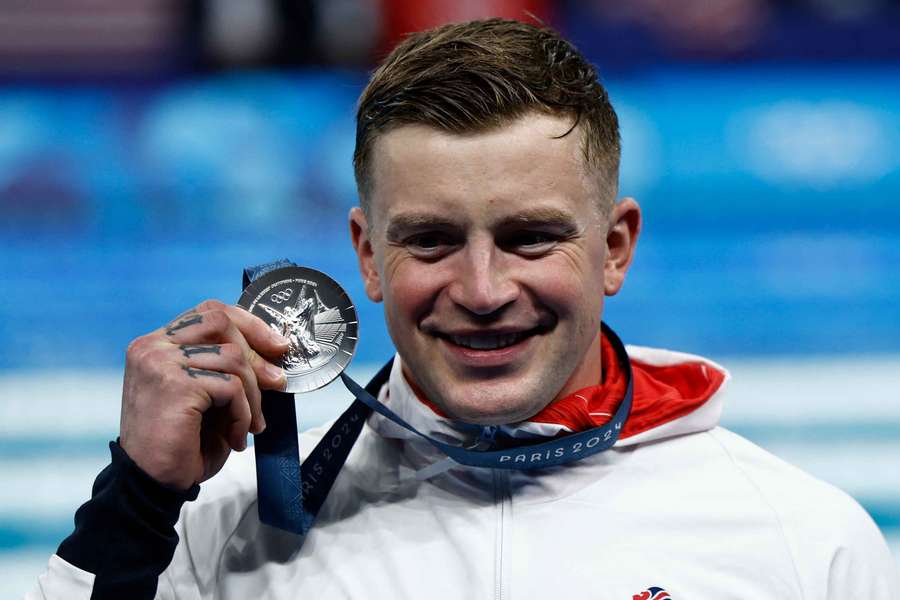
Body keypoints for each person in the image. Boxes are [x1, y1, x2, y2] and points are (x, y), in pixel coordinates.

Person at [30, 18, 898, 599]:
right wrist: (135, 505)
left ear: (617, 250)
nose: (482, 293)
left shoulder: (802, 542)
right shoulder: (216, 540)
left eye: (529, 238)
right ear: (369, 256)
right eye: (432, 241)